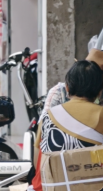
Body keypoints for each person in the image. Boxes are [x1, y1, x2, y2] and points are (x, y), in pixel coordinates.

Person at [31, 60, 103, 191]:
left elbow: (38, 163)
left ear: (68, 88)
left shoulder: (48, 116)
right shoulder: (101, 114)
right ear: (99, 91)